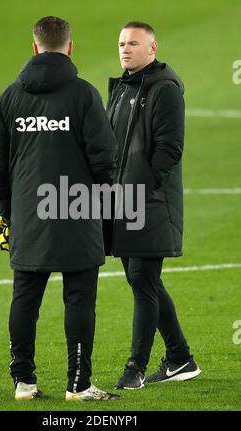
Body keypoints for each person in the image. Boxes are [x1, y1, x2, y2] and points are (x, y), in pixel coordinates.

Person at [0, 16, 120, 402]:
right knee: (79, 298)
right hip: (76, 211)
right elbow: (104, 157)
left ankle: (23, 383)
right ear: (70, 47)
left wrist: (6, 211)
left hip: (28, 214)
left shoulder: (11, 96)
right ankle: (78, 385)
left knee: (25, 297)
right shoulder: (83, 94)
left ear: (35, 48)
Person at [106, 21, 201, 389]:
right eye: (121, 43)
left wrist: (137, 192)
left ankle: (135, 368)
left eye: (133, 43)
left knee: (143, 279)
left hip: (150, 203)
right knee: (141, 278)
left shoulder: (164, 89)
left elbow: (169, 151)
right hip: (123, 202)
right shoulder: (122, 88)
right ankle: (180, 357)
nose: (125, 49)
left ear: (153, 48)